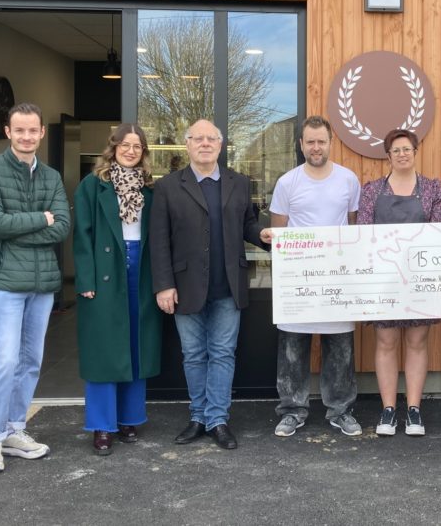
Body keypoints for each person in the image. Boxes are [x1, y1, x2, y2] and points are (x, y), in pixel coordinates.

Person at [150, 120, 267, 450]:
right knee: (193, 355)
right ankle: (198, 416)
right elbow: (158, 241)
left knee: (222, 354)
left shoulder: (239, 183)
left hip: (228, 286)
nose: (204, 143)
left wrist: (264, 236)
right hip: (185, 287)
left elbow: (248, 225)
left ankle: (217, 419)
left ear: (220, 145)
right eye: (197, 139)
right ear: (187, 145)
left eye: (211, 139)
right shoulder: (169, 187)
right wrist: (163, 285)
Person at [0, 103, 71, 474]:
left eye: (33, 131)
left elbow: (61, 227)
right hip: (3, 285)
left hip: (42, 285)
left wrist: (24, 230)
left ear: (42, 133)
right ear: (7, 132)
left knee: (30, 362)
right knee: (3, 363)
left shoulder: (51, 176)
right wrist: (39, 222)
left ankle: (15, 431)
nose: (27, 137)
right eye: (20, 130)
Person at [260, 115, 362, 437]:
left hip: (337, 279)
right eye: (310, 141)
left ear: (330, 143)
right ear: (301, 144)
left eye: (321, 141)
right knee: (292, 348)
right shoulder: (287, 183)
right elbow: (280, 233)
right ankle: (292, 410)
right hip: (299, 280)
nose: (316, 147)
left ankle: (341, 409)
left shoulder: (348, 180)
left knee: (341, 349)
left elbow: (353, 227)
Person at [73, 124, 162, 456]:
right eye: (125, 145)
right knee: (104, 350)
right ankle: (102, 425)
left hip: (142, 268)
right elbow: (82, 236)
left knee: (136, 346)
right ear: (113, 148)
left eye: (137, 146)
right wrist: (85, 281)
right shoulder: (92, 186)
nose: (131, 151)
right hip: (105, 271)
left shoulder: (151, 189)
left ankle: (129, 418)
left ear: (144, 153)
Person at [356, 129, 441, 437]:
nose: (402, 154)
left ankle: (413, 409)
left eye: (407, 149)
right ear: (388, 155)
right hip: (384, 281)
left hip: (420, 282)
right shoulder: (370, 191)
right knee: (385, 343)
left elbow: (438, 234)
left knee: (417, 342)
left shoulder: (433, 190)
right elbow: (364, 235)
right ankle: (387, 409)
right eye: (396, 150)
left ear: (416, 151)